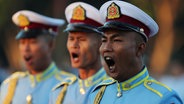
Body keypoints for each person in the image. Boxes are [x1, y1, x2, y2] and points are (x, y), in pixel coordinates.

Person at [89, 1, 183, 104]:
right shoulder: (98, 94)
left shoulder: (163, 99)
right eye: (104, 40)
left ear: (140, 49)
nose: (106, 48)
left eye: (116, 40)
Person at [0, 10, 74, 104]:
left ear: (50, 44)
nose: (26, 48)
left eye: (32, 42)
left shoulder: (69, 85)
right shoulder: (10, 85)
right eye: (22, 42)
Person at [49, 2, 107, 104]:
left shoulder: (113, 89)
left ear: (100, 43)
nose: (74, 45)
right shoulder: (60, 92)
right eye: (71, 38)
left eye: (81, 39)